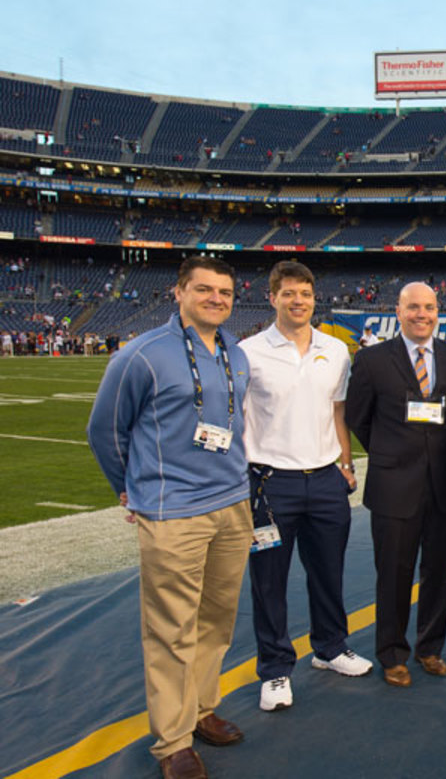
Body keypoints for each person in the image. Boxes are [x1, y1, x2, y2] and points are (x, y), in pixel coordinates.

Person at [87, 256, 253, 778]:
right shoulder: (141, 355)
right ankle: (173, 740)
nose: (215, 299)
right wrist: (131, 488)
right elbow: (105, 431)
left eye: (224, 292)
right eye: (204, 290)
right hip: (174, 512)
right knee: (171, 629)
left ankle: (202, 709)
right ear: (178, 292)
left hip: (231, 503)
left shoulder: (234, 352)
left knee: (215, 621)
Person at [240, 261, 371, 714]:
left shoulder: (335, 350)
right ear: (272, 297)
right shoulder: (248, 351)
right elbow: (236, 418)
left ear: (316, 299)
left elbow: (338, 413)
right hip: (271, 484)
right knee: (269, 582)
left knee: (329, 573)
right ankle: (275, 669)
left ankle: (330, 647)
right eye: (289, 293)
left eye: (306, 294)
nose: (299, 301)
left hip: (326, 479)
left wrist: (348, 463)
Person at [346, 282, 446, 688]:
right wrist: (391, 453)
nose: (422, 314)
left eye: (430, 307)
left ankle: (430, 647)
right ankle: (392, 653)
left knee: (439, 572)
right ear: (397, 311)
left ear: (438, 311)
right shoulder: (372, 360)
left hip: (442, 487)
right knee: (394, 575)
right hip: (393, 484)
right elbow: (359, 419)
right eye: (413, 307)